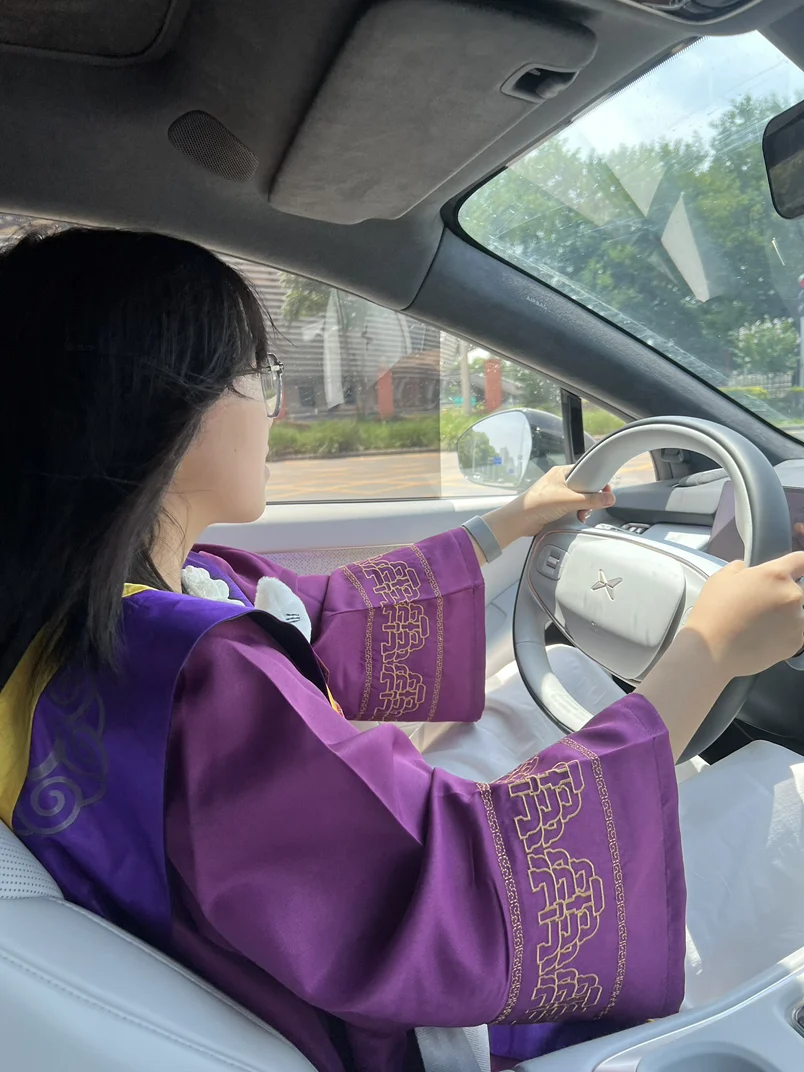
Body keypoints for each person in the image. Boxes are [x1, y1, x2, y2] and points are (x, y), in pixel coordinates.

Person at [0, 227, 803, 1072]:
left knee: (566, 671)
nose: (273, 405)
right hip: (430, 1017)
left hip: (311, 920)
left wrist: (509, 523)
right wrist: (710, 647)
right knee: (782, 791)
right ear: (164, 408)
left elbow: (331, 620)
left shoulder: (105, 625)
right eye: (257, 372)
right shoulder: (204, 681)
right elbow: (463, 890)